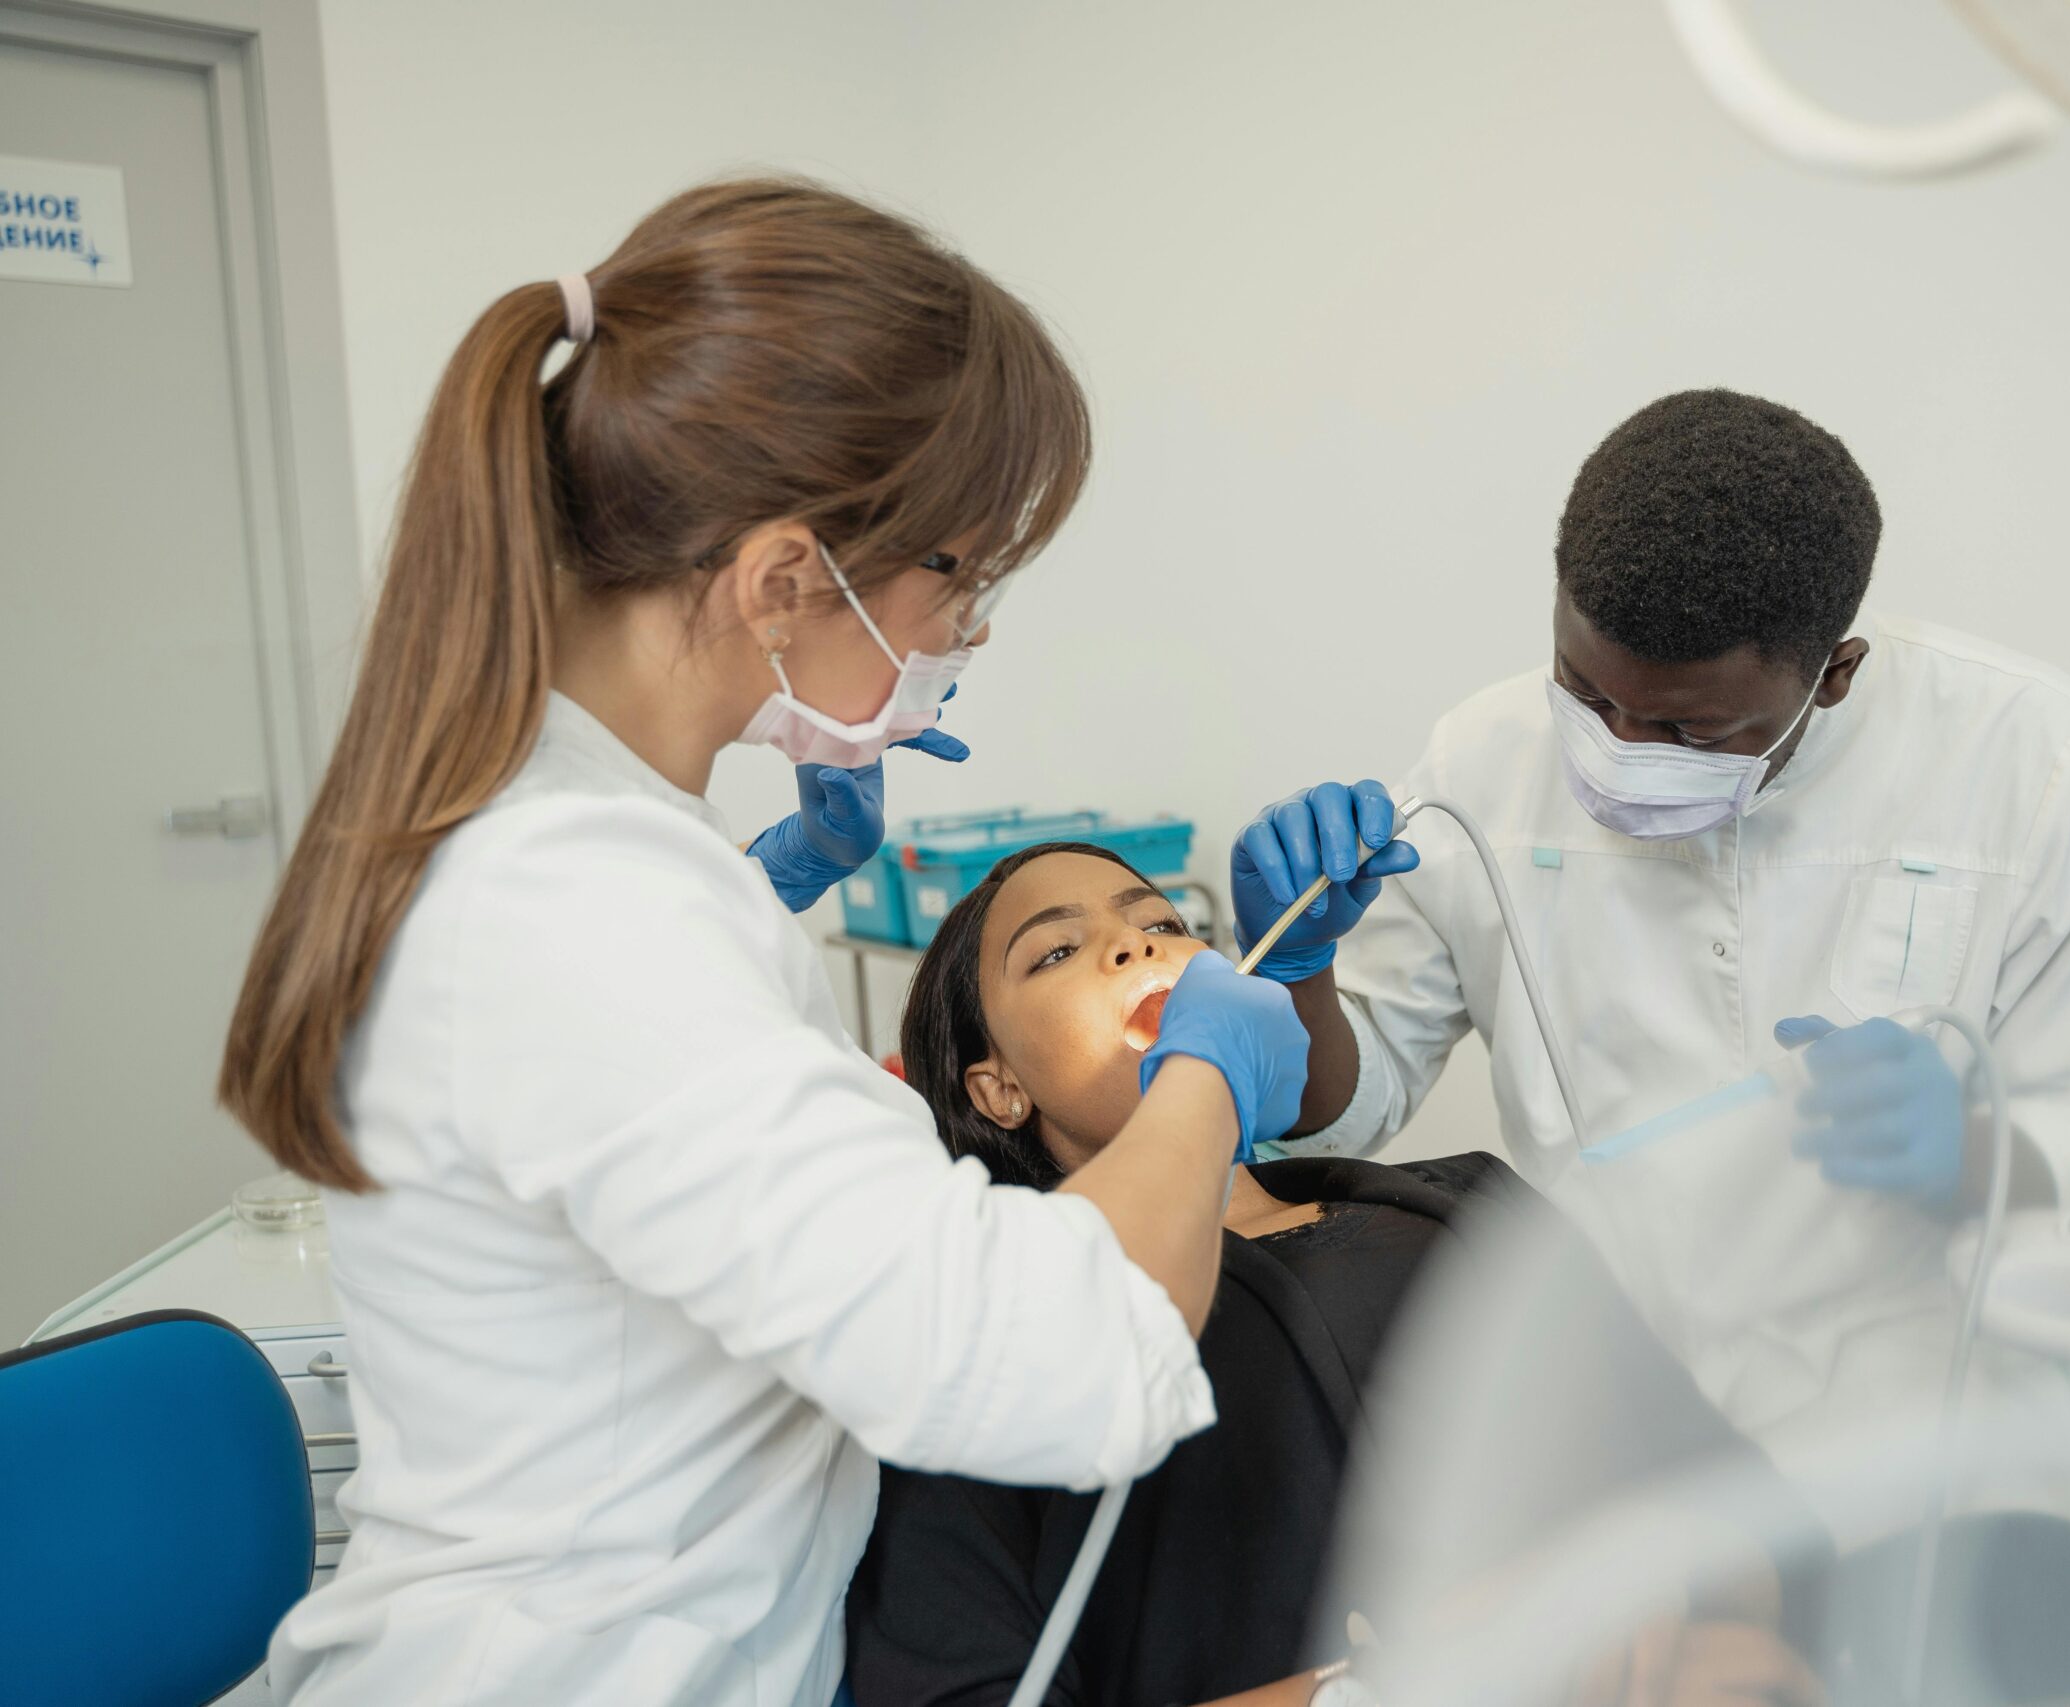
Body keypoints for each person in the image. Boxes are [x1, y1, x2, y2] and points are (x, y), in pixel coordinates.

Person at [215, 178, 1312, 1707]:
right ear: (784, 576)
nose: (962, 633)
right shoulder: (573, 900)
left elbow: (631, 1059)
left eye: (1153, 926)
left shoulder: (589, 851)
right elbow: (1044, 1357)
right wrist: (1208, 1055)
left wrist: (770, 884)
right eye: (960, 578)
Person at [1231, 390, 2070, 1701]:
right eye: (1587, 689)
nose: (1620, 749)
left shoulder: (2034, 756)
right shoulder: (1485, 752)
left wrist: (1979, 1153)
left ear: (1834, 671)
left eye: (1690, 729)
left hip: (1929, 1439)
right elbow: (1349, 1109)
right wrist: (1299, 972)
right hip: (1625, 1438)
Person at [845, 843, 1830, 1707]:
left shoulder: (1465, 1206)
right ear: (998, 1086)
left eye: (1164, 923)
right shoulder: (981, 1343)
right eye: (1056, 952)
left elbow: (1744, 1514)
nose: (1136, 945)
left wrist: (1666, 1616)